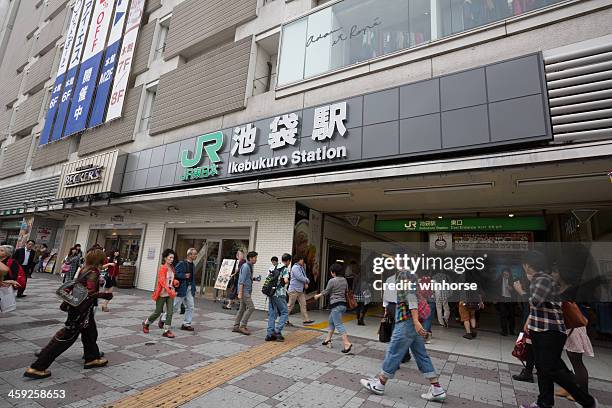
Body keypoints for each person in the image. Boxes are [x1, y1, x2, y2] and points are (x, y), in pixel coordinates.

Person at [519, 250, 596, 408]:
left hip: (549, 332)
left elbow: (536, 302)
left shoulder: (541, 279)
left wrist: (521, 291)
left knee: (550, 369)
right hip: (542, 330)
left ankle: (586, 400)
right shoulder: (542, 279)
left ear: (528, 265)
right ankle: (544, 402)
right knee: (543, 369)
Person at [360, 268, 447, 402]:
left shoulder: (403, 274)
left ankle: (380, 384)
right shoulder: (410, 275)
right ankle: (437, 389)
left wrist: (416, 321)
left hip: (406, 322)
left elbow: (411, 297)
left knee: (394, 351)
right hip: (411, 323)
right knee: (421, 354)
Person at [24, 249, 111, 379]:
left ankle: (92, 358)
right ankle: (37, 367)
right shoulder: (93, 272)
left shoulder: (85, 269)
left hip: (79, 308)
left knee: (90, 333)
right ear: (99, 260)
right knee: (66, 337)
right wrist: (106, 295)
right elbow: (90, 292)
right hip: (82, 310)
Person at [314, 263, 352, 353]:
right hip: (343, 305)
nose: (331, 273)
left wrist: (318, 296)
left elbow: (326, 291)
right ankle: (328, 339)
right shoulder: (344, 280)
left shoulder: (332, 280)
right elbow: (346, 291)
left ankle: (347, 343)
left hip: (336, 305)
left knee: (338, 324)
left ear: (333, 272)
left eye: (331, 271)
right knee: (331, 321)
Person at [142, 249, 179, 338]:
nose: (172, 259)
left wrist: (175, 282)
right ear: (165, 258)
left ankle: (166, 330)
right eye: (170, 257)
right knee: (158, 312)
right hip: (162, 293)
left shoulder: (172, 268)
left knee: (170, 312)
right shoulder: (162, 268)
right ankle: (146, 323)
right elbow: (162, 282)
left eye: (173, 258)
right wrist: (170, 291)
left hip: (170, 294)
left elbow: (171, 280)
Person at [161, 248, 198, 331]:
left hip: (189, 288)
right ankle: (163, 318)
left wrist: (193, 289)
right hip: (181, 288)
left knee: (191, 306)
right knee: (175, 306)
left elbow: (193, 279)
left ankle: (186, 324)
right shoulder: (182, 263)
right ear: (189, 255)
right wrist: (184, 276)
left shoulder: (193, 265)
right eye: (194, 254)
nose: (196, 255)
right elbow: (175, 273)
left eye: (196, 254)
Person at [382, 271, 410, 363]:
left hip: (391, 306)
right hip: (400, 307)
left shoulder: (389, 279)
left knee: (399, 331)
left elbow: (385, 294)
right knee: (400, 331)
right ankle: (397, 356)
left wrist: (386, 307)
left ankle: (404, 355)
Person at [265, 253, 291, 341]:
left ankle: (269, 334)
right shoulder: (285, 269)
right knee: (284, 312)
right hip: (279, 294)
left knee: (272, 314)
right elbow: (286, 280)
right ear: (288, 261)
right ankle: (277, 331)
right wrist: (285, 281)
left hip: (271, 293)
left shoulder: (274, 267)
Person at [232, 251, 258, 335]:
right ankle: (242, 326)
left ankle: (236, 326)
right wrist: (240, 293)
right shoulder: (246, 266)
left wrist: (253, 279)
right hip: (244, 291)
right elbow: (242, 281)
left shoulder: (249, 266)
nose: (256, 259)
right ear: (250, 258)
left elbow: (246, 278)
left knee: (242, 309)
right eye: (255, 258)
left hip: (246, 290)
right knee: (251, 307)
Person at [287, 255, 314, 326]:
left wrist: (305, 282)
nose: (303, 261)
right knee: (290, 305)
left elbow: (303, 276)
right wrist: (307, 281)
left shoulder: (301, 267)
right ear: (299, 260)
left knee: (303, 304)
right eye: (302, 260)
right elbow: (299, 277)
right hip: (294, 290)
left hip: (300, 290)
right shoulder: (295, 267)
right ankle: (284, 320)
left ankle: (306, 320)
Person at [495, 268, 517, 336]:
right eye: (504, 274)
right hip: (502, 299)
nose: (505, 275)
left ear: (510, 274)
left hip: (510, 300)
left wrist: (512, 289)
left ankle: (512, 330)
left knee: (511, 316)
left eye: (507, 274)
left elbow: (517, 291)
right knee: (503, 315)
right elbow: (495, 289)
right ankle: (504, 331)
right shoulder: (499, 280)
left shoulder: (513, 281)